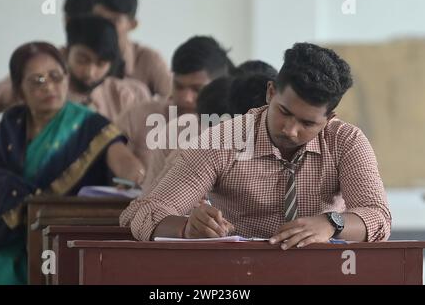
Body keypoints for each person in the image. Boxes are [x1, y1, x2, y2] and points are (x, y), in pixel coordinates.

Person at [120, 42, 392, 248]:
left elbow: (378, 216)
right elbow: (144, 212)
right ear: (270, 92)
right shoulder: (222, 140)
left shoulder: (346, 142)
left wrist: (332, 223)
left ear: (329, 118)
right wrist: (186, 229)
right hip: (235, 276)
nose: (290, 130)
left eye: (307, 123)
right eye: (284, 112)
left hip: (320, 272)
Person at [0, 42, 144, 285]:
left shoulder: (90, 124)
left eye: (56, 77)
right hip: (13, 235)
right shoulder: (12, 124)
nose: (50, 87)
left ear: (66, 78)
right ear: (20, 90)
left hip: (67, 234)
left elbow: (130, 168)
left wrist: (135, 179)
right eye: (38, 81)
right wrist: (27, 204)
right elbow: (1, 180)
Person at [0, 16, 151, 121]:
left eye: (100, 64)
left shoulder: (126, 95)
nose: (90, 72)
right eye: (82, 60)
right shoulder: (43, 83)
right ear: (65, 52)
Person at [115, 36, 234, 169]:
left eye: (197, 89)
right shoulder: (138, 116)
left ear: (219, 87)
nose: (185, 98)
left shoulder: (231, 129)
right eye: (179, 86)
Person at [93, 0, 172, 97]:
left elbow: (175, 100)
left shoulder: (149, 59)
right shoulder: (76, 56)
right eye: (98, 19)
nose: (104, 27)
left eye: (114, 20)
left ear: (132, 25)